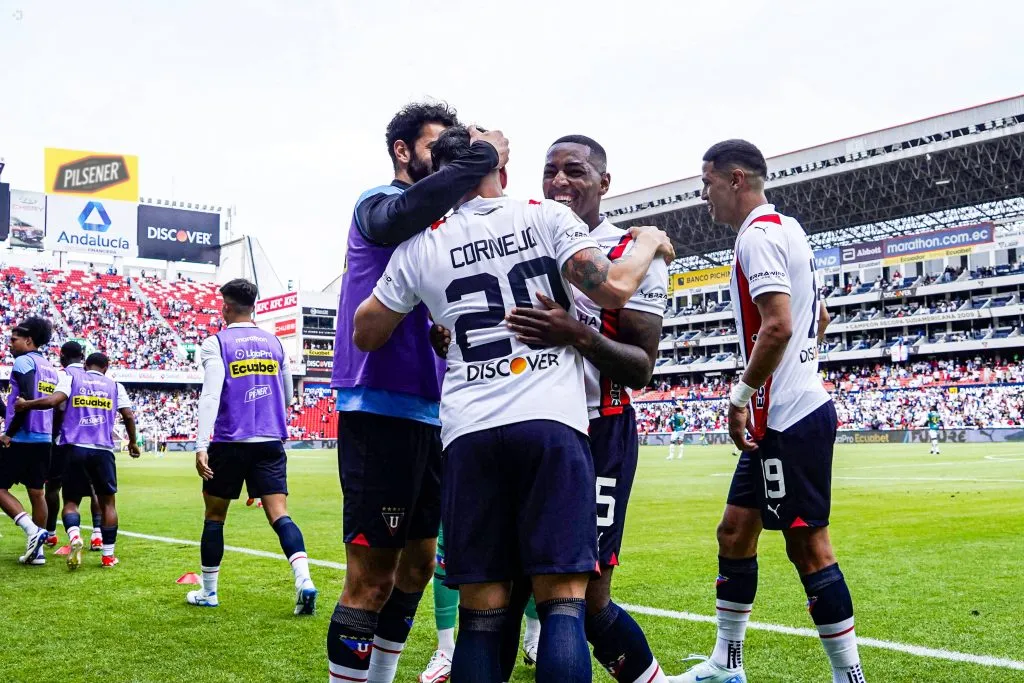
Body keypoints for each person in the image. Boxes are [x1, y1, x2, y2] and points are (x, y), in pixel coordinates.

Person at [353, 124, 673, 683]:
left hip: (469, 433)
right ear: (498, 170)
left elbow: (366, 332)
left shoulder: (420, 246)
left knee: (481, 614)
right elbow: (614, 289)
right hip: (550, 424)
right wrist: (647, 241)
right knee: (564, 605)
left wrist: (441, 312)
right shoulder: (543, 217)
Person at [474, 134, 672, 682]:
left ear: (603, 183)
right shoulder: (530, 236)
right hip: (527, 425)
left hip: (598, 432)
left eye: (575, 171)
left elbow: (640, 367)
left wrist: (576, 335)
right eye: (550, 171)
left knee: (586, 595)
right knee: (505, 590)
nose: (559, 182)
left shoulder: (631, 254)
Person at [327, 102, 509, 683]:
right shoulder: (375, 204)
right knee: (371, 577)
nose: (447, 159)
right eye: (436, 146)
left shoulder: (444, 226)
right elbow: (400, 215)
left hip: (438, 414)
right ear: (403, 151)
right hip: (379, 406)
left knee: (418, 567)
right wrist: (481, 155)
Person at [669, 140, 863, 683]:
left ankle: (849, 676)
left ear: (734, 179)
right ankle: (727, 665)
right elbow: (817, 315)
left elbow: (777, 325)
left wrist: (740, 396)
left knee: (810, 548)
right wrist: (802, 362)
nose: (703, 194)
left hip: (788, 417)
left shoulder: (756, 237)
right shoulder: (789, 227)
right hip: (785, 411)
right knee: (734, 532)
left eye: (705, 182)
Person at [187, 279, 317, 615]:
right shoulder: (274, 343)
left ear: (226, 307)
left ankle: (209, 592)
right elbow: (288, 396)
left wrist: (202, 445)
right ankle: (303, 579)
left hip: (230, 441)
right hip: (271, 441)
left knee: (214, 517)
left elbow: (211, 395)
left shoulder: (216, 343)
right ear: (254, 305)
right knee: (280, 514)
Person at [16, 352, 139, 568]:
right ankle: (108, 556)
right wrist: (132, 442)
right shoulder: (115, 385)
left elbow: (54, 401)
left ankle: (74, 536)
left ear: (85, 365)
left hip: (74, 447)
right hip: (103, 450)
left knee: (71, 501)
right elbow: (128, 415)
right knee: (108, 502)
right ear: (107, 367)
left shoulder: (72, 378)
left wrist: (27, 404)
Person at [0, 317, 57, 565]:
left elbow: (25, 401)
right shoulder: (49, 366)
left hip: (22, 436)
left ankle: (33, 531)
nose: (9, 344)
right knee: (37, 493)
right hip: (43, 438)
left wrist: (9, 432)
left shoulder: (23, 362)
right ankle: (39, 552)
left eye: (13, 340)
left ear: (28, 340)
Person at [42, 341, 105, 553]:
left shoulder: (63, 375)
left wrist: (55, 431)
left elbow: (59, 405)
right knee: (95, 489)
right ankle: (97, 535)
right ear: (83, 357)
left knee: (54, 488)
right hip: (95, 441)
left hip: (66, 441)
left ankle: (51, 533)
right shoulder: (96, 378)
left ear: (62, 356)